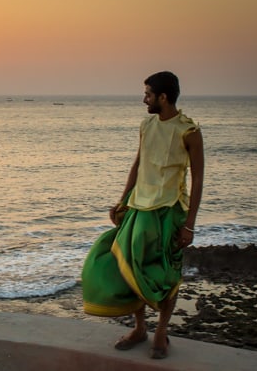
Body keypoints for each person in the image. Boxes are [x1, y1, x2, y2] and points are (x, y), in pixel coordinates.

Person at [81, 71, 204, 359]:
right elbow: (138, 165)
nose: (143, 99)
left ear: (163, 97)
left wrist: (190, 226)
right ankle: (139, 328)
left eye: (148, 94)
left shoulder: (189, 131)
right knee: (130, 267)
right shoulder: (147, 124)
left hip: (169, 211)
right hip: (138, 209)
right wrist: (122, 200)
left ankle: (161, 333)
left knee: (166, 274)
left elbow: (198, 179)